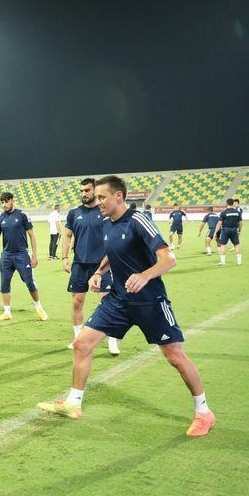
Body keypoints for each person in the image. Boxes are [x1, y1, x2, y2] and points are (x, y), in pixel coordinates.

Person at [38, 176, 215, 437]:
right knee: (82, 344)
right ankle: (73, 403)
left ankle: (204, 412)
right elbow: (113, 253)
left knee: (175, 356)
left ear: (118, 196)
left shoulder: (138, 220)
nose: (98, 202)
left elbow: (168, 259)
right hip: (118, 301)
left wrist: (145, 275)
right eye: (96, 197)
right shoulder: (107, 223)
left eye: (102, 197)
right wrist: (98, 272)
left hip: (149, 301)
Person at [61, 178, 118, 355]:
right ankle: (78, 338)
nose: (84, 194)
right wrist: (64, 257)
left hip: (102, 265)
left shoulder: (104, 211)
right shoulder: (74, 213)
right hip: (79, 264)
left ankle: (112, 339)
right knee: (77, 302)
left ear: (95, 190)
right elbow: (67, 236)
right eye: (81, 191)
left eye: (87, 190)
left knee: (107, 303)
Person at [0, 192, 48, 321]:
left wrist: (34, 255)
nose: (4, 205)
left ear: (12, 200)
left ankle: (39, 307)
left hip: (22, 255)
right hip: (6, 256)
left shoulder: (22, 215)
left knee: (29, 282)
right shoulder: (0, 219)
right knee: (4, 284)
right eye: (2, 202)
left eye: (6, 201)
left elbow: (32, 235)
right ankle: (7, 312)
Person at [216, 198, 243, 266]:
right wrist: (239, 230)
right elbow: (240, 223)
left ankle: (223, 262)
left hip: (225, 230)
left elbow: (219, 223)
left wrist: (215, 232)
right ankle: (239, 262)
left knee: (223, 245)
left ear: (226, 203)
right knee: (236, 245)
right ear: (233, 203)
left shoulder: (224, 212)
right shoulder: (237, 212)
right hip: (234, 230)